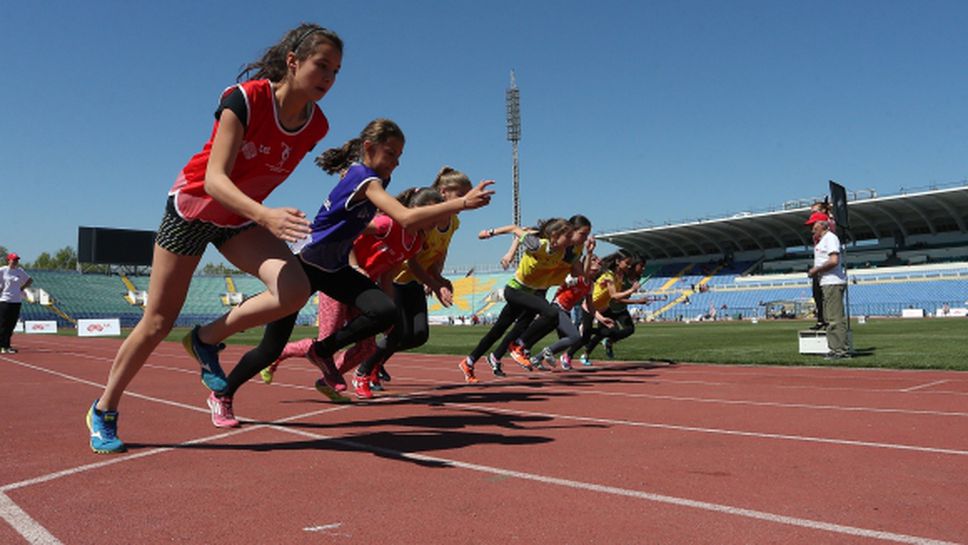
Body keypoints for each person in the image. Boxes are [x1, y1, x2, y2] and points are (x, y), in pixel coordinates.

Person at [86, 24, 344, 454]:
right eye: (322, 66)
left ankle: (204, 339)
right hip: (193, 209)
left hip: (238, 218)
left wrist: (260, 215)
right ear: (294, 62)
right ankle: (103, 409)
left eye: (336, 72)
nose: (328, 79)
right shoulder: (244, 99)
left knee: (294, 289)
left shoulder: (316, 125)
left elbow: (260, 177)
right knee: (156, 322)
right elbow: (215, 179)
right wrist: (266, 216)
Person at [205, 119, 493, 426]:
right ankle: (222, 395)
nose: (396, 162)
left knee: (385, 311)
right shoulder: (364, 179)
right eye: (391, 153)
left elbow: (378, 226)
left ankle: (322, 351)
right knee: (270, 348)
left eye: (399, 157)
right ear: (369, 148)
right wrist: (461, 202)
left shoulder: (369, 181)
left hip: (335, 269)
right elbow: (406, 218)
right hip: (304, 266)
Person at [259, 186, 445, 400]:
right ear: (415, 209)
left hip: (363, 290)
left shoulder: (416, 244)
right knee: (327, 341)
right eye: (432, 213)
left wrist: (390, 313)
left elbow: (387, 277)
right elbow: (349, 232)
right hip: (339, 278)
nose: (435, 220)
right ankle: (278, 355)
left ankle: (327, 380)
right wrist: (355, 266)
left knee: (366, 348)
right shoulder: (386, 223)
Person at [355, 166, 473, 387]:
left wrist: (439, 278)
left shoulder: (454, 223)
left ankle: (376, 361)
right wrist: (435, 285)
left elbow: (440, 252)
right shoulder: (425, 221)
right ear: (444, 192)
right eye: (462, 196)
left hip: (415, 281)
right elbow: (412, 261)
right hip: (397, 277)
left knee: (418, 335)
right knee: (397, 331)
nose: (465, 200)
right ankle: (364, 369)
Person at [459, 218, 574, 382]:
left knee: (498, 330)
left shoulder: (561, 253)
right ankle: (519, 346)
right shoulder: (537, 244)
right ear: (555, 235)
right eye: (568, 237)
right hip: (515, 290)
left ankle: (468, 362)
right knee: (551, 313)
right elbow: (514, 229)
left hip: (530, 292)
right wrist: (490, 233)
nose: (570, 241)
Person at [807, 219, 849, 360]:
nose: (813, 230)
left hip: (832, 282)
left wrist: (816, 269)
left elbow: (833, 260)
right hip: (826, 282)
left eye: (814, 227)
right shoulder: (823, 240)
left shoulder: (830, 238)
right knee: (829, 317)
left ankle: (840, 350)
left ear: (822, 227)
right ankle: (835, 348)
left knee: (834, 318)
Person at [0, 253, 32, 353]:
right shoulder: (2, 270)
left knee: (11, 325)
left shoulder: (19, 271)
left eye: (17, 260)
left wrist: (22, 288)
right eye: (13, 259)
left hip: (16, 301)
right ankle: (2, 346)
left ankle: (7, 346)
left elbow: (30, 280)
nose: (15, 261)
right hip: (5, 300)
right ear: (8, 260)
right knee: (3, 324)